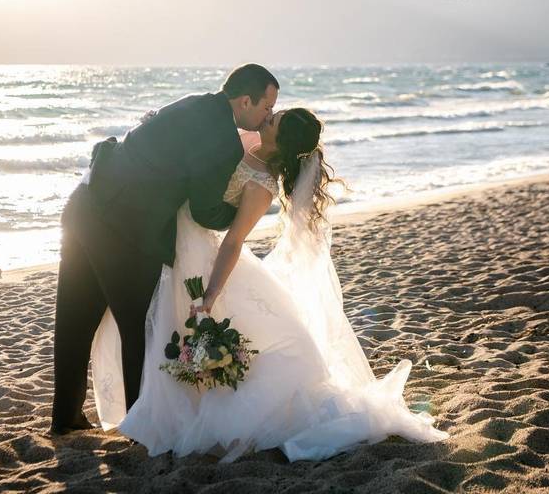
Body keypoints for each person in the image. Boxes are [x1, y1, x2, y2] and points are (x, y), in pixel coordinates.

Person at [91, 108, 448, 461]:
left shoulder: (262, 185)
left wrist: (212, 294)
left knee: (187, 328)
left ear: (281, 141)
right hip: (176, 239)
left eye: (274, 120)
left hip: (206, 255)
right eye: (271, 111)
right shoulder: (244, 138)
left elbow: (233, 242)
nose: (268, 116)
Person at [49, 63, 279, 435]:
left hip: (85, 202)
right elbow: (206, 212)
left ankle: (65, 418)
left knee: (74, 318)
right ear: (245, 101)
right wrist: (241, 209)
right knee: (139, 324)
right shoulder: (222, 139)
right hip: (122, 228)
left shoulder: (194, 102)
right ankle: (141, 422)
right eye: (266, 107)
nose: (267, 115)